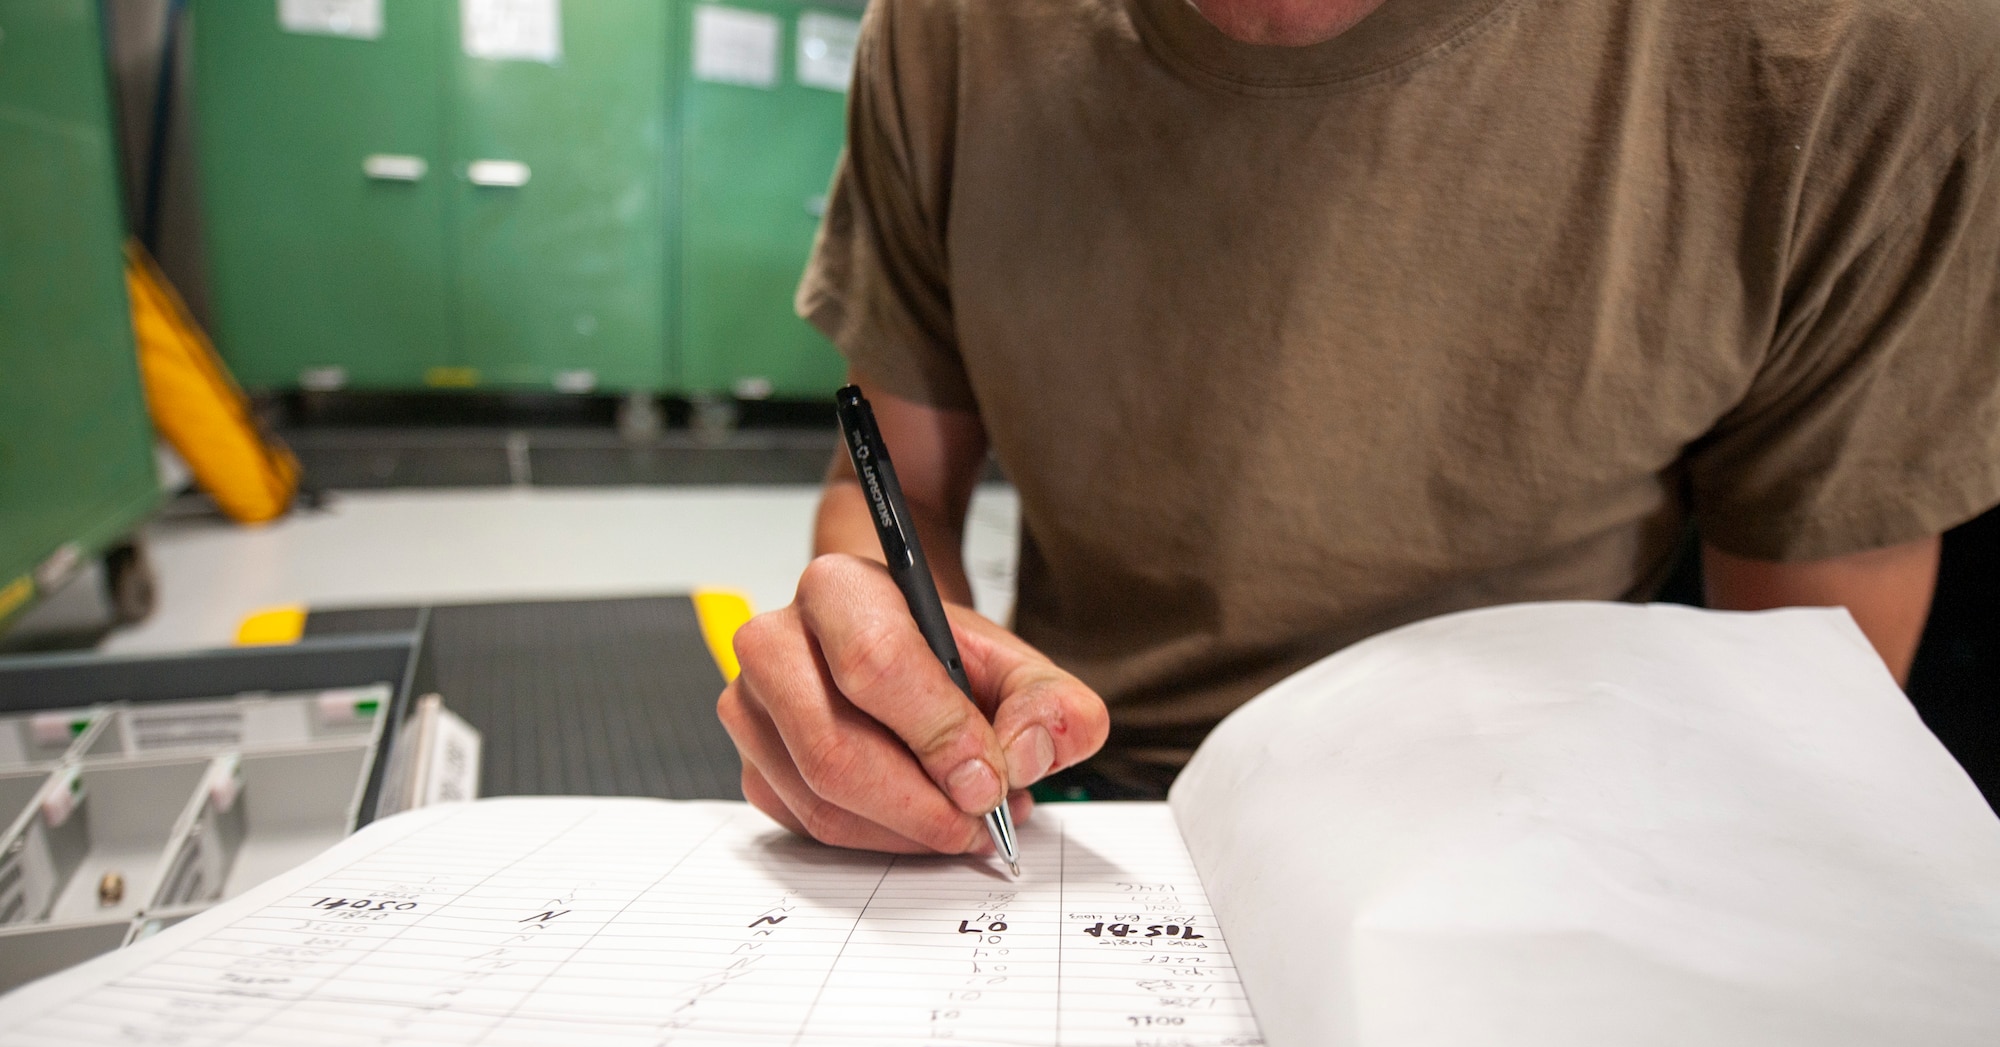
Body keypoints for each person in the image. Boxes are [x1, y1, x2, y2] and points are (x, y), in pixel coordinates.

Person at [719, 0, 2000, 855]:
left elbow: (1795, 702)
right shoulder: (946, 29)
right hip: (1079, 803)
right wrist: (886, 674)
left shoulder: (1858, 52)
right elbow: (895, 493)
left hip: (1554, 833)